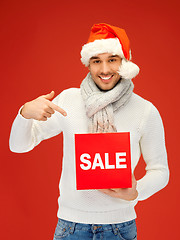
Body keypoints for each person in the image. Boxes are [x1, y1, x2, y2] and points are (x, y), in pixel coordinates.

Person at [9, 23, 169, 240]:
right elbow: (18, 146)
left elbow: (160, 171)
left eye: (112, 59)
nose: (104, 70)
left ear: (124, 62)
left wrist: (137, 191)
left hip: (119, 228)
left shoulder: (145, 111)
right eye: (96, 61)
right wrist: (24, 113)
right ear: (88, 64)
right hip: (70, 228)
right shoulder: (68, 100)